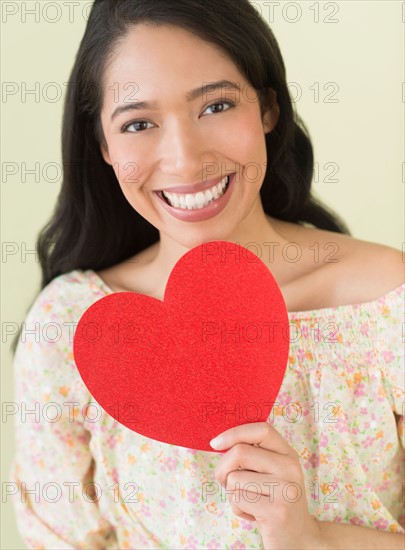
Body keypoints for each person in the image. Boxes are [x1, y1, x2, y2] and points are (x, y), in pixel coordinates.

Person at [10, 0, 404, 548]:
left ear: (267, 107)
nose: (185, 159)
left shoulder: (389, 304)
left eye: (216, 105)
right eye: (139, 123)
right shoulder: (69, 323)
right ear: (103, 145)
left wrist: (308, 537)